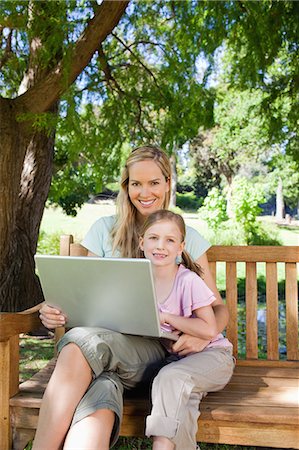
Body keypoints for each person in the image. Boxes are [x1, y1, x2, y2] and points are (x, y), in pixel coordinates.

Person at [35, 145, 232, 450]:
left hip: (158, 351)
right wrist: (53, 310)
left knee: (81, 344)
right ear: (126, 187)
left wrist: (205, 336)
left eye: (154, 182)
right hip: (110, 355)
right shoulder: (104, 231)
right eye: (136, 183)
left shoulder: (184, 236)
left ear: (167, 183)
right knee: (100, 387)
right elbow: (79, 292)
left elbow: (217, 308)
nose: (145, 192)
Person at [138, 209, 234, 450]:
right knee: (182, 396)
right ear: (141, 242)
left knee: (169, 379)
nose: (160, 246)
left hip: (213, 358)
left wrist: (167, 317)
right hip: (179, 362)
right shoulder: (138, 279)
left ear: (181, 247)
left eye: (170, 240)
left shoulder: (188, 280)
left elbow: (209, 327)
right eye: (153, 238)